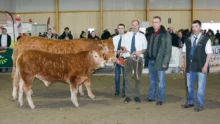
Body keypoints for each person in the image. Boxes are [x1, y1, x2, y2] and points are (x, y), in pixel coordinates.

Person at [181, 20, 212, 112]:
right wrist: (185, 66)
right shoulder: (188, 39)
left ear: (200, 27)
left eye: (196, 26)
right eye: (193, 27)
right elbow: (185, 53)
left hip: (201, 66)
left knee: (201, 86)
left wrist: (205, 66)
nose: (194, 29)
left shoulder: (206, 39)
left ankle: (199, 104)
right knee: (189, 86)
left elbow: (209, 54)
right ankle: (190, 102)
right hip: (190, 67)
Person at [145, 16, 172, 106]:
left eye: (156, 22)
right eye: (153, 22)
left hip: (160, 62)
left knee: (161, 81)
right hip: (151, 60)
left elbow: (168, 50)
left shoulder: (166, 34)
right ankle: (151, 97)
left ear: (160, 23)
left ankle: (160, 99)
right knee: (152, 80)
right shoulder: (150, 33)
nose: (154, 24)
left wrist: (165, 62)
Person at [121, 20, 147, 104]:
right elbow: (122, 46)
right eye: (133, 25)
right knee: (127, 78)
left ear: (138, 26)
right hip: (128, 58)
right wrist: (124, 49)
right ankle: (128, 96)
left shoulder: (142, 36)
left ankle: (137, 96)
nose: (135, 26)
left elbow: (145, 48)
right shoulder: (126, 35)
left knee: (138, 78)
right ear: (131, 26)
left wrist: (139, 52)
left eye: (136, 25)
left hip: (138, 59)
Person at [113, 24, 126, 98]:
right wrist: (114, 58)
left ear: (124, 29)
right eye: (119, 28)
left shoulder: (127, 37)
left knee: (125, 76)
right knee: (117, 76)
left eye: (122, 28)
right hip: (116, 59)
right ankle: (117, 90)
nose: (121, 30)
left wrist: (121, 51)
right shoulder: (114, 38)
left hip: (124, 59)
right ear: (117, 29)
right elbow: (113, 49)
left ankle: (124, 91)